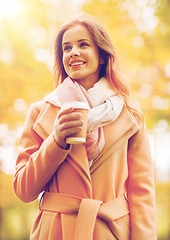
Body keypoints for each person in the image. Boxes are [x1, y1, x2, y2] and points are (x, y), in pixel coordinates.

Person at [13, 13, 157, 240]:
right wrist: (56, 142)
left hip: (110, 232)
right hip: (54, 232)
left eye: (83, 45)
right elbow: (23, 190)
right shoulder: (40, 113)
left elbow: (142, 195)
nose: (73, 52)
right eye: (67, 48)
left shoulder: (129, 114)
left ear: (101, 55)